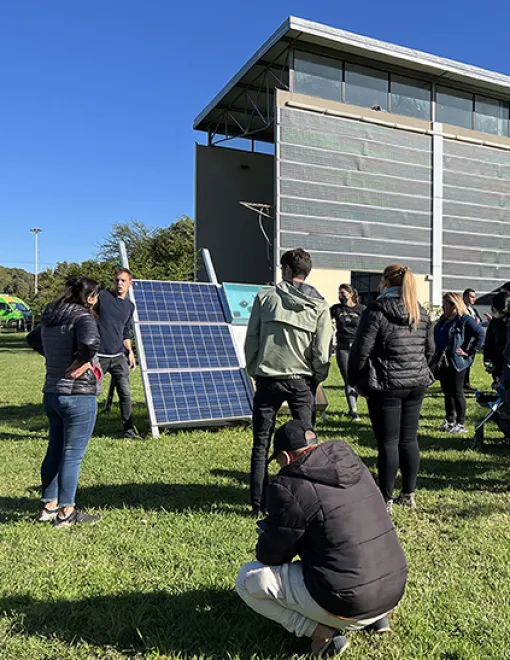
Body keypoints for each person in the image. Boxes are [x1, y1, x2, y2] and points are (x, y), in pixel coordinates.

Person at [236, 420, 407, 658]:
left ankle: (321, 636)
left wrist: (270, 532)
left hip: (349, 602)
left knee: (248, 578)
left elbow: (271, 555)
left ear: (285, 457)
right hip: (393, 588)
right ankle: (377, 618)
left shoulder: (289, 486)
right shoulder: (354, 464)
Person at [245, 248, 332, 517]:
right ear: (307, 271)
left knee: (261, 443)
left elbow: (253, 338)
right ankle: (306, 501)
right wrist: (318, 375)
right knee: (306, 445)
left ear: (286, 269)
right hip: (301, 382)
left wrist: (254, 369)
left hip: (268, 380)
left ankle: (258, 504)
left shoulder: (265, 297)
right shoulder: (320, 305)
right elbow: (322, 348)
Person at [347, 264, 434, 512]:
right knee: (409, 439)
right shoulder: (421, 312)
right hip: (416, 382)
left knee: (388, 442)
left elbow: (361, 350)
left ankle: (386, 498)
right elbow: (430, 350)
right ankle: (409, 493)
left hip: (386, 384)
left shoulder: (376, 310)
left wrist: (354, 380)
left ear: (385, 282)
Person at [27, 277, 101, 527]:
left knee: (54, 449)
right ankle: (66, 513)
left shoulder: (51, 315)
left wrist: (53, 355)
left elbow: (32, 338)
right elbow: (90, 342)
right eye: (96, 297)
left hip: (51, 394)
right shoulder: (83, 317)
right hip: (78, 397)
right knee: (72, 455)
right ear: (90, 298)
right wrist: (82, 361)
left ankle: (48, 505)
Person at [434, 292, 485, 435]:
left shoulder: (464, 320)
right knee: (447, 391)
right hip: (443, 362)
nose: (443, 308)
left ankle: (460, 423)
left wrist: (469, 351)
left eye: (446, 305)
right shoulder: (443, 320)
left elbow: (480, 334)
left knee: (457, 391)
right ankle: (450, 419)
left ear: (454, 306)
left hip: (457, 362)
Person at [96, 267, 136, 438]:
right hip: (99, 356)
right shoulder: (103, 297)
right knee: (91, 392)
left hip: (119, 356)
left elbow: (125, 332)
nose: (119, 283)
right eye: (117, 280)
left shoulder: (129, 306)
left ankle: (129, 430)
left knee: (125, 394)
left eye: (123, 281)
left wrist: (130, 351)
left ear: (129, 283)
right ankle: (83, 429)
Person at [330, 284, 365, 421]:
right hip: (343, 347)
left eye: (343, 293)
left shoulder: (361, 309)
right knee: (348, 379)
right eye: (339, 293)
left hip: (357, 347)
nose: (341, 296)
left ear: (351, 294)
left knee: (361, 379)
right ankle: (353, 410)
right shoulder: (336, 309)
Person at [484, 292, 509, 387]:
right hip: (498, 362)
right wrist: (487, 360)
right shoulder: (495, 323)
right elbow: (488, 343)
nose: (491, 309)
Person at [462, 289, 482, 392]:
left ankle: (466, 383)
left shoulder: (473, 310)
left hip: (472, 342)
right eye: (471, 297)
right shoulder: (461, 310)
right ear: (465, 297)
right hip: (464, 341)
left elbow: (479, 322)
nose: (473, 299)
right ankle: (461, 384)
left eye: (474, 297)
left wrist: (478, 322)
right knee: (463, 363)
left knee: (469, 362)